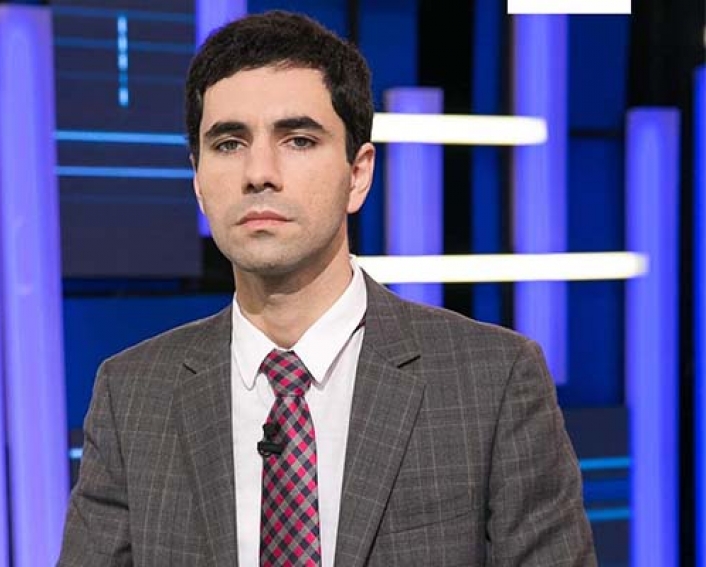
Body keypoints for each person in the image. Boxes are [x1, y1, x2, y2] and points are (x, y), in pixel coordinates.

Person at [58, 10, 596, 566]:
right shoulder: (132, 395)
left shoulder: (492, 381)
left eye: (297, 139)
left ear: (358, 174)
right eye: (229, 144)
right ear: (198, 180)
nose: (258, 172)